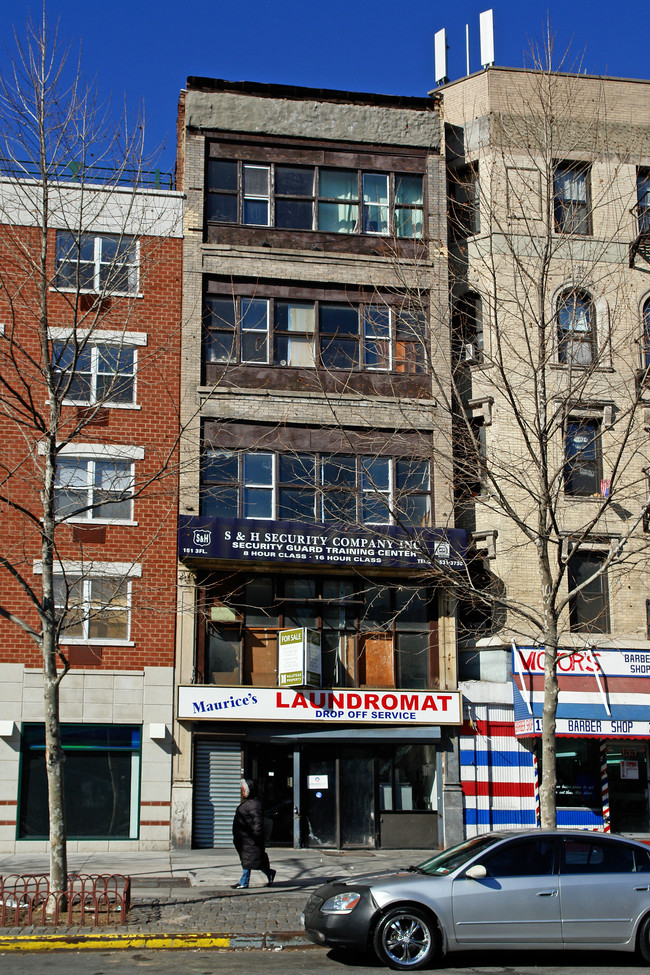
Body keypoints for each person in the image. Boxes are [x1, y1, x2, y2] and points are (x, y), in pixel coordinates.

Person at [231, 778, 276, 889]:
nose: (242, 792)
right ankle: (269, 873)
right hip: (245, 837)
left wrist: (256, 836)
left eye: (243, 790)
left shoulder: (254, 804)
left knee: (248, 860)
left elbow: (257, 822)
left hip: (250, 838)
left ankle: (244, 882)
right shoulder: (250, 803)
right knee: (253, 860)